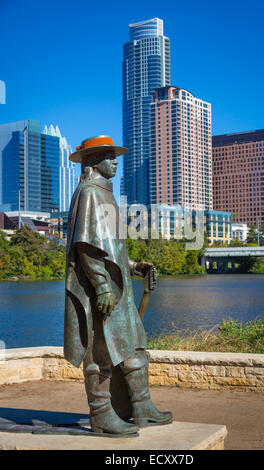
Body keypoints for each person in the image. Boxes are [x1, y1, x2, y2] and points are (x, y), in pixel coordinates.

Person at [64, 135, 172, 437]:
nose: (115, 161)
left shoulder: (107, 194)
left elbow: (112, 249)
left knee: (135, 347)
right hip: (104, 293)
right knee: (101, 353)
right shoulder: (88, 192)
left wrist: (135, 267)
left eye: (115, 156)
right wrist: (102, 286)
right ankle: (100, 414)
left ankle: (141, 406)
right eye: (109, 156)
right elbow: (85, 247)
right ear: (92, 160)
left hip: (118, 289)